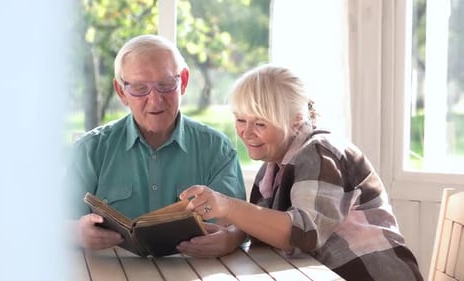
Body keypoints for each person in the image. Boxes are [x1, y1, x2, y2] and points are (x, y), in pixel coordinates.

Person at [180, 64, 424, 280]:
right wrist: (232, 235)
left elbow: (303, 232)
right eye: (240, 120)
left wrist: (227, 206)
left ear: (296, 120)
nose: (246, 132)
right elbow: (267, 226)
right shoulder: (273, 163)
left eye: (260, 123)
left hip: (370, 274)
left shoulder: (319, 152)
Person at [67, 34, 246, 258]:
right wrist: (75, 233)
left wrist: (230, 239)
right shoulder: (90, 150)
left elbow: (239, 224)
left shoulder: (216, 148)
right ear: (121, 91)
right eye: (140, 88)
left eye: (166, 85)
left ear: (184, 81)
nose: (155, 100)